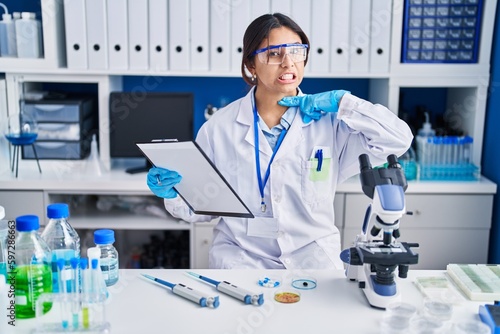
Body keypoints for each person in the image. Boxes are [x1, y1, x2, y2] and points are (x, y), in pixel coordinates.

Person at [147, 13, 413, 269]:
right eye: (274, 53)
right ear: (251, 64)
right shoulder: (219, 129)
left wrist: (345, 103)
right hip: (242, 261)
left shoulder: (331, 124)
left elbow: (398, 139)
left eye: (297, 51)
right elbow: (201, 210)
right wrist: (176, 194)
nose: (288, 63)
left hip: (313, 261)